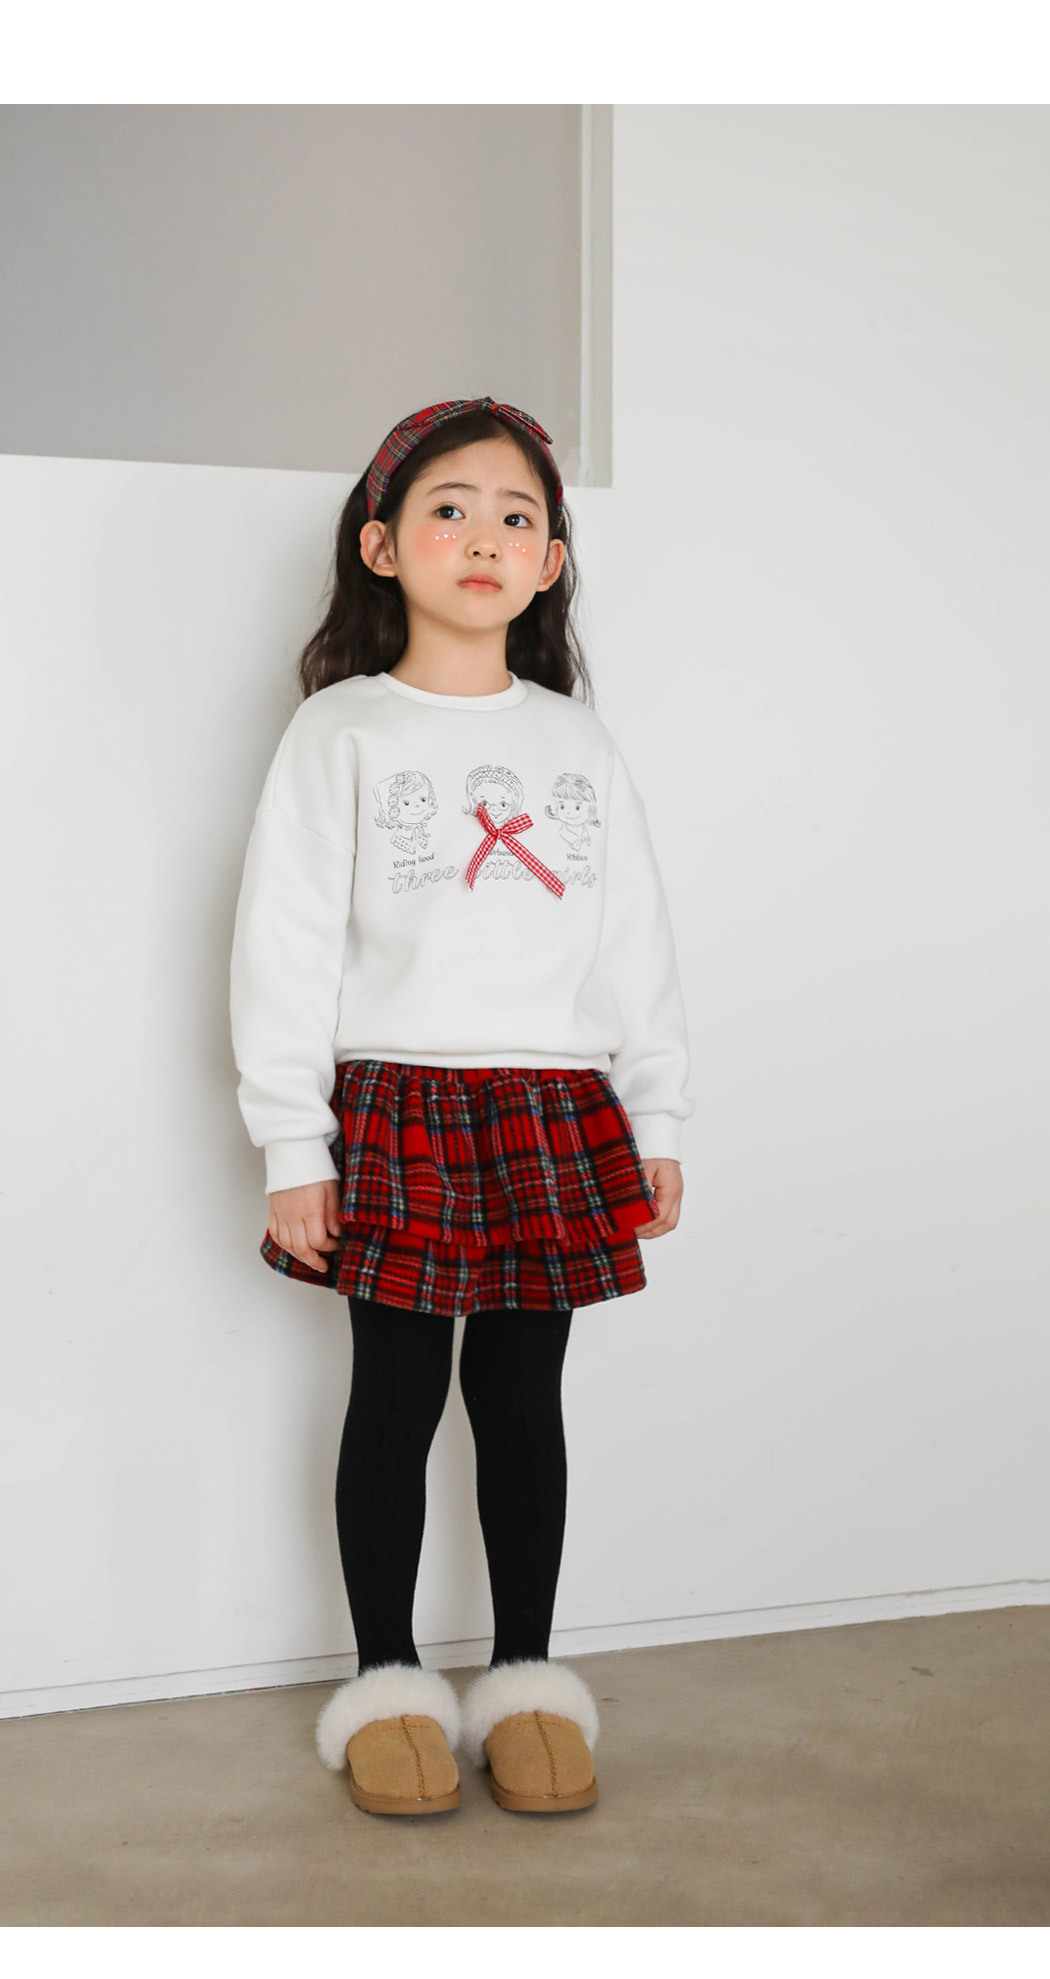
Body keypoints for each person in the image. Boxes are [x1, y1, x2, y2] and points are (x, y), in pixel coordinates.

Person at [229, 395, 695, 1816]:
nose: (482, 537)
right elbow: (283, 945)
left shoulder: (576, 743)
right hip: (395, 1107)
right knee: (393, 1395)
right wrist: (292, 1143)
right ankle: (385, 1683)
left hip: (553, 1109)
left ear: (549, 564)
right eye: (448, 509)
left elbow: (635, 944)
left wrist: (657, 1119)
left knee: (522, 1400)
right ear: (381, 545)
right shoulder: (340, 731)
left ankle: (527, 1678)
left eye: (515, 517)